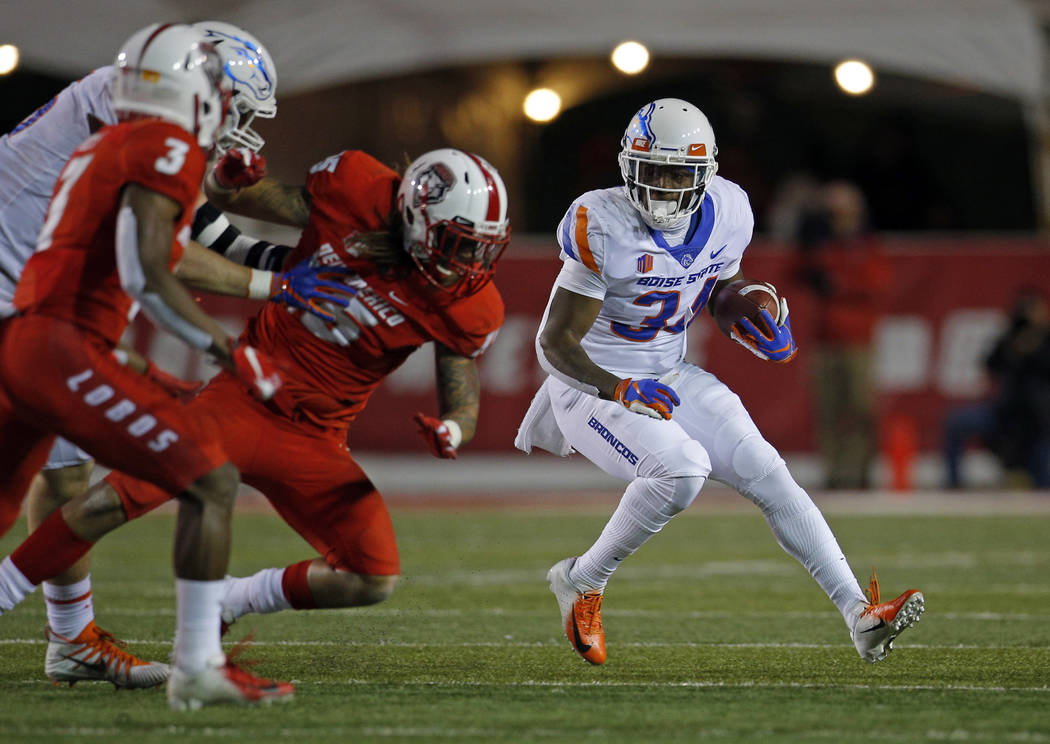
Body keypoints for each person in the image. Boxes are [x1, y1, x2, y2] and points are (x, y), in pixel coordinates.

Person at [0, 147, 509, 641]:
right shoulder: (356, 191)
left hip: (316, 439)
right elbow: (237, 198)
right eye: (460, 242)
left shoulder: (469, 304)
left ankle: (235, 598)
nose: (471, 260)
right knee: (109, 504)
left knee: (372, 575)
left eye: (482, 245)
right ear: (416, 216)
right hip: (242, 400)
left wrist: (455, 428)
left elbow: (461, 388)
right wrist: (225, 178)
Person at [514, 98, 924, 666]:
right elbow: (553, 344)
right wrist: (619, 390)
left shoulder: (730, 210)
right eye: (651, 170)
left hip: (668, 370)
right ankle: (583, 580)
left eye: (676, 174)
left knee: (767, 470)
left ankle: (860, 615)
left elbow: (715, 287)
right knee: (681, 471)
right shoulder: (600, 221)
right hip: (593, 383)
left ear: (705, 175)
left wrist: (753, 321)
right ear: (628, 167)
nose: (661, 186)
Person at [0, 21, 344, 689]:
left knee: (51, 478)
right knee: (199, 472)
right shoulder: (149, 133)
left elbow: (186, 213)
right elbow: (159, 260)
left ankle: (71, 640)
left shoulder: (124, 101)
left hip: (33, 305)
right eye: (235, 105)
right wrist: (254, 308)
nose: (238, 126)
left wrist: (277, 256)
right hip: (27, 310)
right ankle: (186, 663)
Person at [794, 180, 890, 489]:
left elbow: (874, 284)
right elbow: (798, 271)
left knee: (861, 407)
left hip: (858, 341)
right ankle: (834, 471)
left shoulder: (866, 246)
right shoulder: (823, 245)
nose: (838, 220)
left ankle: (861, 471)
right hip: (825, 340)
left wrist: (838, 283)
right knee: (829, 409)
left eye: (842, 213)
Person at [944, 289, 1050, 489]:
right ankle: (953, 487)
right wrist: (1014, 344)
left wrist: (1035, 346)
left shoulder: (1046, 339)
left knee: (1042, 478)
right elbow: (989, 363)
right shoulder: (1011, 337)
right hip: (1003, 413)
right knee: (956, 422)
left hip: (1038, 421)